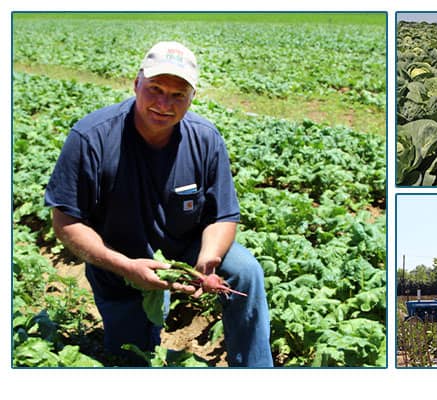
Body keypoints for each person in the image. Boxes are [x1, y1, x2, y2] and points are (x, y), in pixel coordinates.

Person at [44, 41, 273, 367]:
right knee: (132, 357)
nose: (164, 103)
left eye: (178, 94)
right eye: (155, 88)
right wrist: (125, 266)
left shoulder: (205, 138)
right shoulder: (91, 137)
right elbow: (66, 221)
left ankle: (254, 371)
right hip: (118, 259)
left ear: (192, 97)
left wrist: (209, 258)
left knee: (246, 271)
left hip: (185, 247)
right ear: (136, 83)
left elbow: (223, 214)